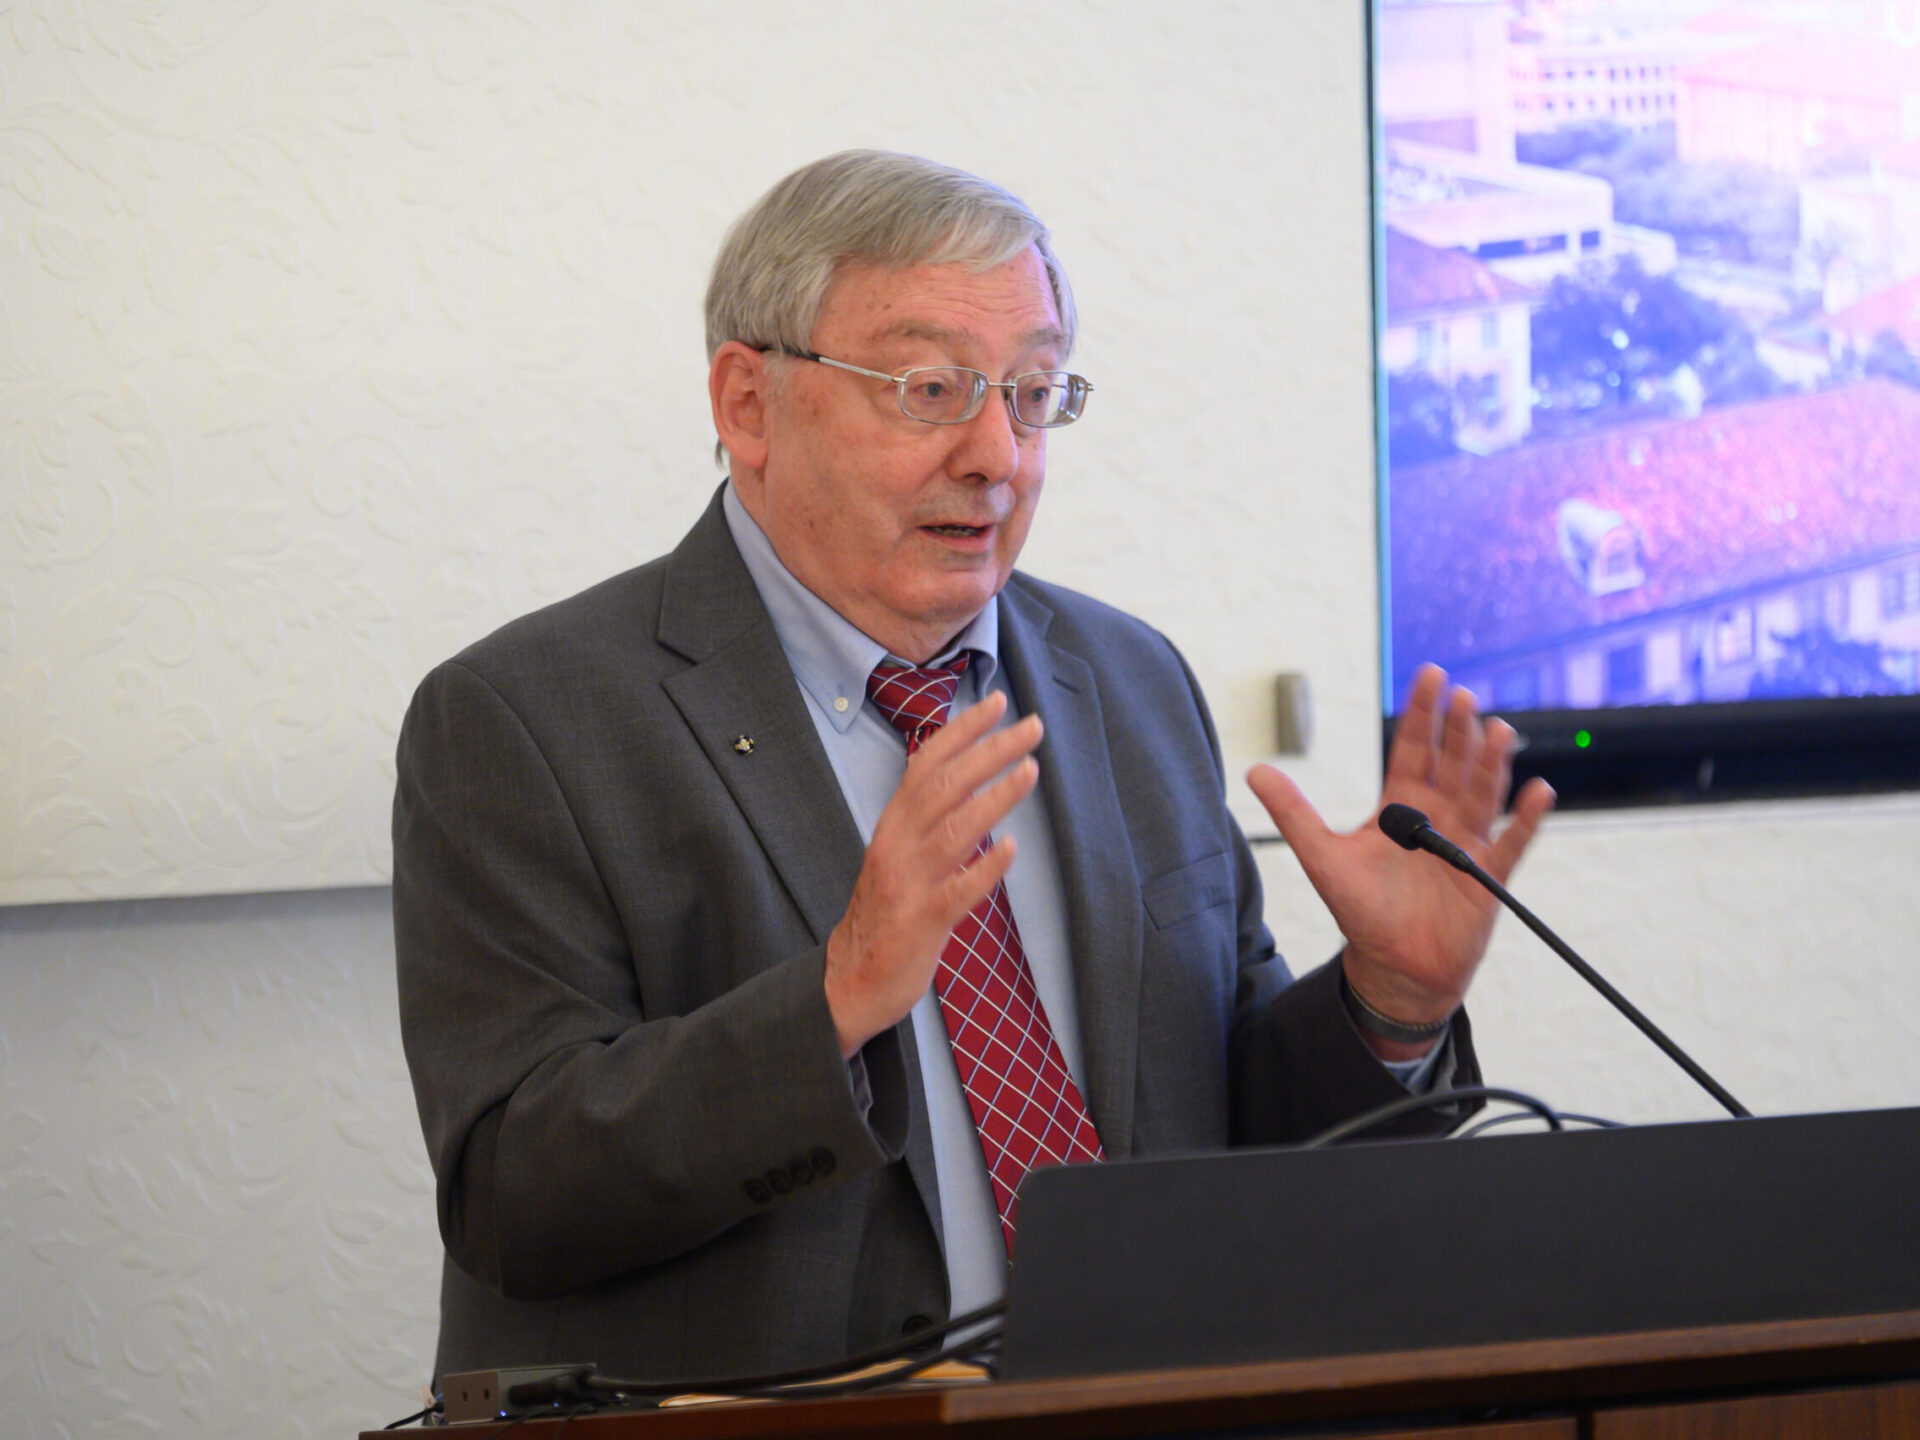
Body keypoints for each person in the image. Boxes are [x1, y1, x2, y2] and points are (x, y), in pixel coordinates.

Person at [392, 150, 1553, 1384]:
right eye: (932, 387)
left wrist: (1389, 1005)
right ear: (746, 404)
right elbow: (514, 1196)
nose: (999, 453)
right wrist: (836, 1000)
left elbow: (1227, 1139)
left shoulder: (1129, 680)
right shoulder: (525, 717)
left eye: (1034, 390)